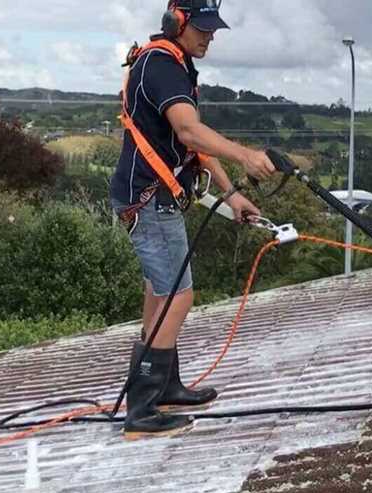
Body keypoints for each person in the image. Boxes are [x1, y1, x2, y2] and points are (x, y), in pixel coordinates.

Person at [109, 0, 275, 438]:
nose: (209, 36)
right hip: (149, 197)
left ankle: (164, 387)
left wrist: (231, 192)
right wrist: (245, 157)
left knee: (159, 293)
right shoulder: (163, 66)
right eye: (201, 28)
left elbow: (191, 147)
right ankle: (142, 412)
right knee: (177, 296)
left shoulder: (174, 63)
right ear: (177, 23)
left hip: (155, 195)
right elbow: (189, 130)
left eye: (213, 29)